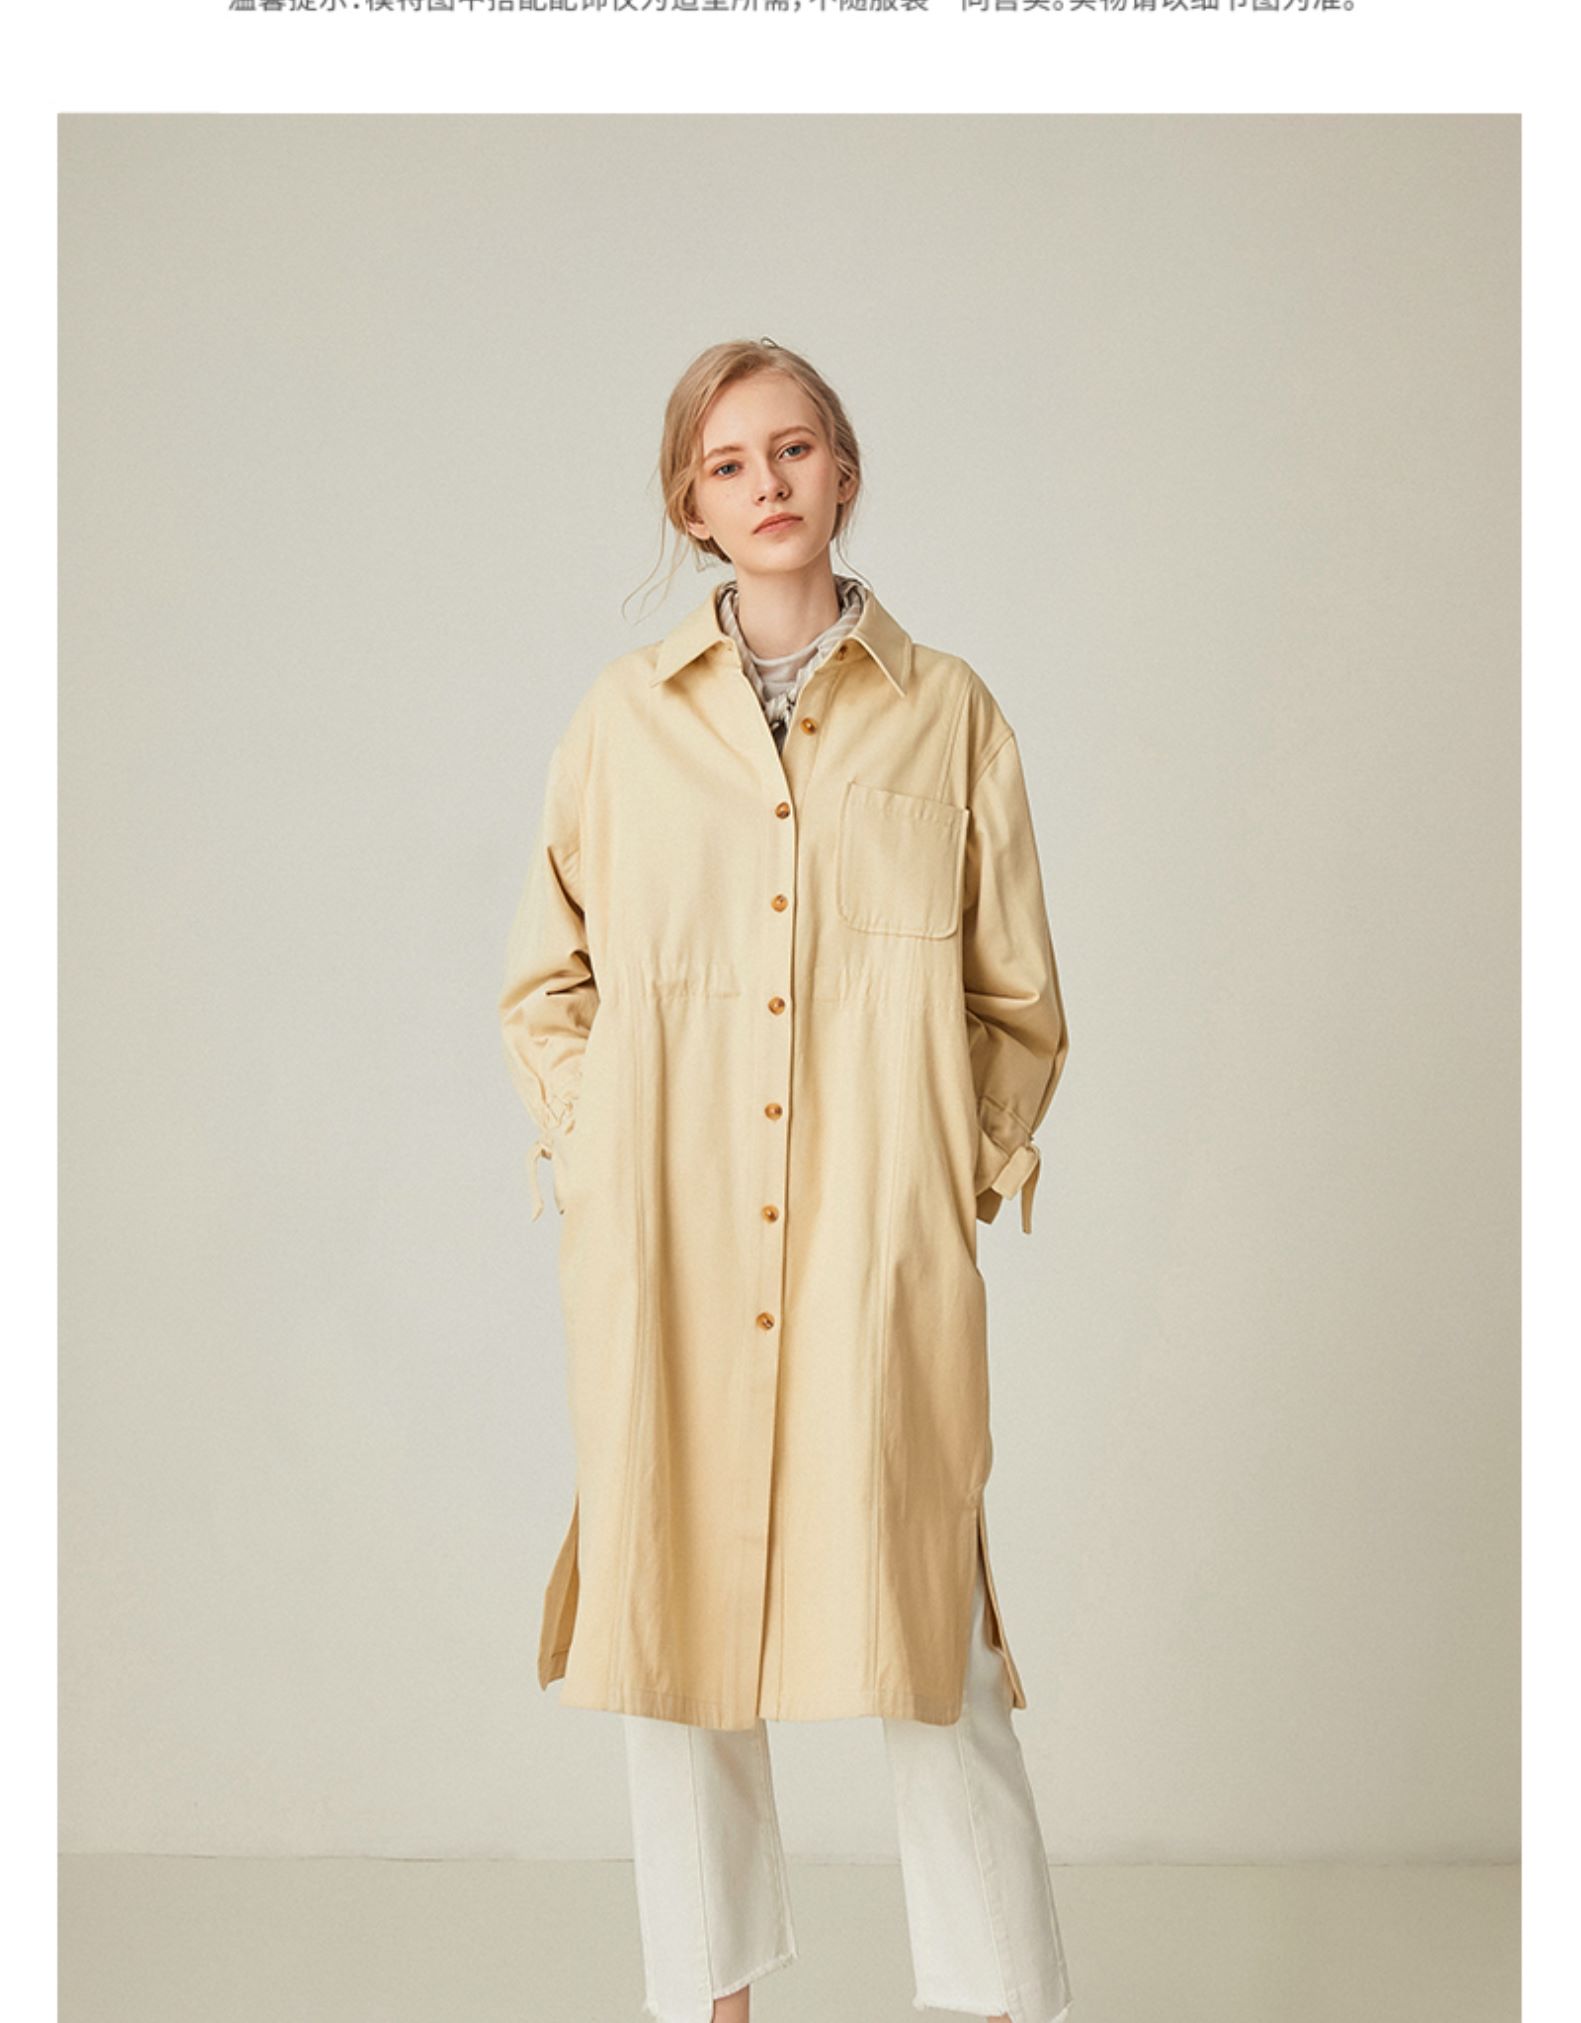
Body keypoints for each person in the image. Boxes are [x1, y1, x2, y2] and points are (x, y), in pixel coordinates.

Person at [499, 338, 1074, 2023]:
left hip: (870, 1252)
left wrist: (940, 1175)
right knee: (675, 1645)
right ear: (690, 503)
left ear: (843, 474)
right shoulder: (622, 723)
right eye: (729, 461)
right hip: (668, 1252)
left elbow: (1016, 1002)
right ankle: (712, 2007)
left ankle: (1000, 2005)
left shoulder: (947, 713)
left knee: (931, 1641)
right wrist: (605, 1151)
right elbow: (546, 982)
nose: (767, 483)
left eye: (795, 448)